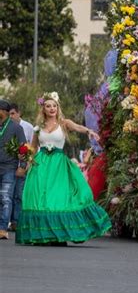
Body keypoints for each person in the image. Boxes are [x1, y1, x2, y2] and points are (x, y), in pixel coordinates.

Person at [16, 92, 111, 245]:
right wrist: (25, 156)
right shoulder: (38, 128)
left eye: (54, 106)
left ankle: (60, 234)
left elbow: (77, 127)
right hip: (41, 166)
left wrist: (89, 131)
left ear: (57, 107)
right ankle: (45, 235)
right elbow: (33, 148)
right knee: (41, 200)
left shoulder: (63, 123)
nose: (52, 108)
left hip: (59, 166)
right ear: (44, 109)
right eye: (48, 106)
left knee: (58, 199)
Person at [0, 99, 27, 240]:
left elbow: (23, 147)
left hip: (9, 168)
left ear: (3, 112)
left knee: (6, 198)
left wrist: (22, 167)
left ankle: (3, 229)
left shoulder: (16, 127)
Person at [8, 103, 34, 233]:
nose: (11, 116)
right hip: (8, 166)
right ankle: (8, 220)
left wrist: (28, 163)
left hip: (22, 166)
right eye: (9, 114)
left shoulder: (28, 127)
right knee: (8, 194)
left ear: (19, 113)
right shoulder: (6, 126)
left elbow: (32, 146)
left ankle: (16, 222)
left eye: (13, 113)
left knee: (18, 194)